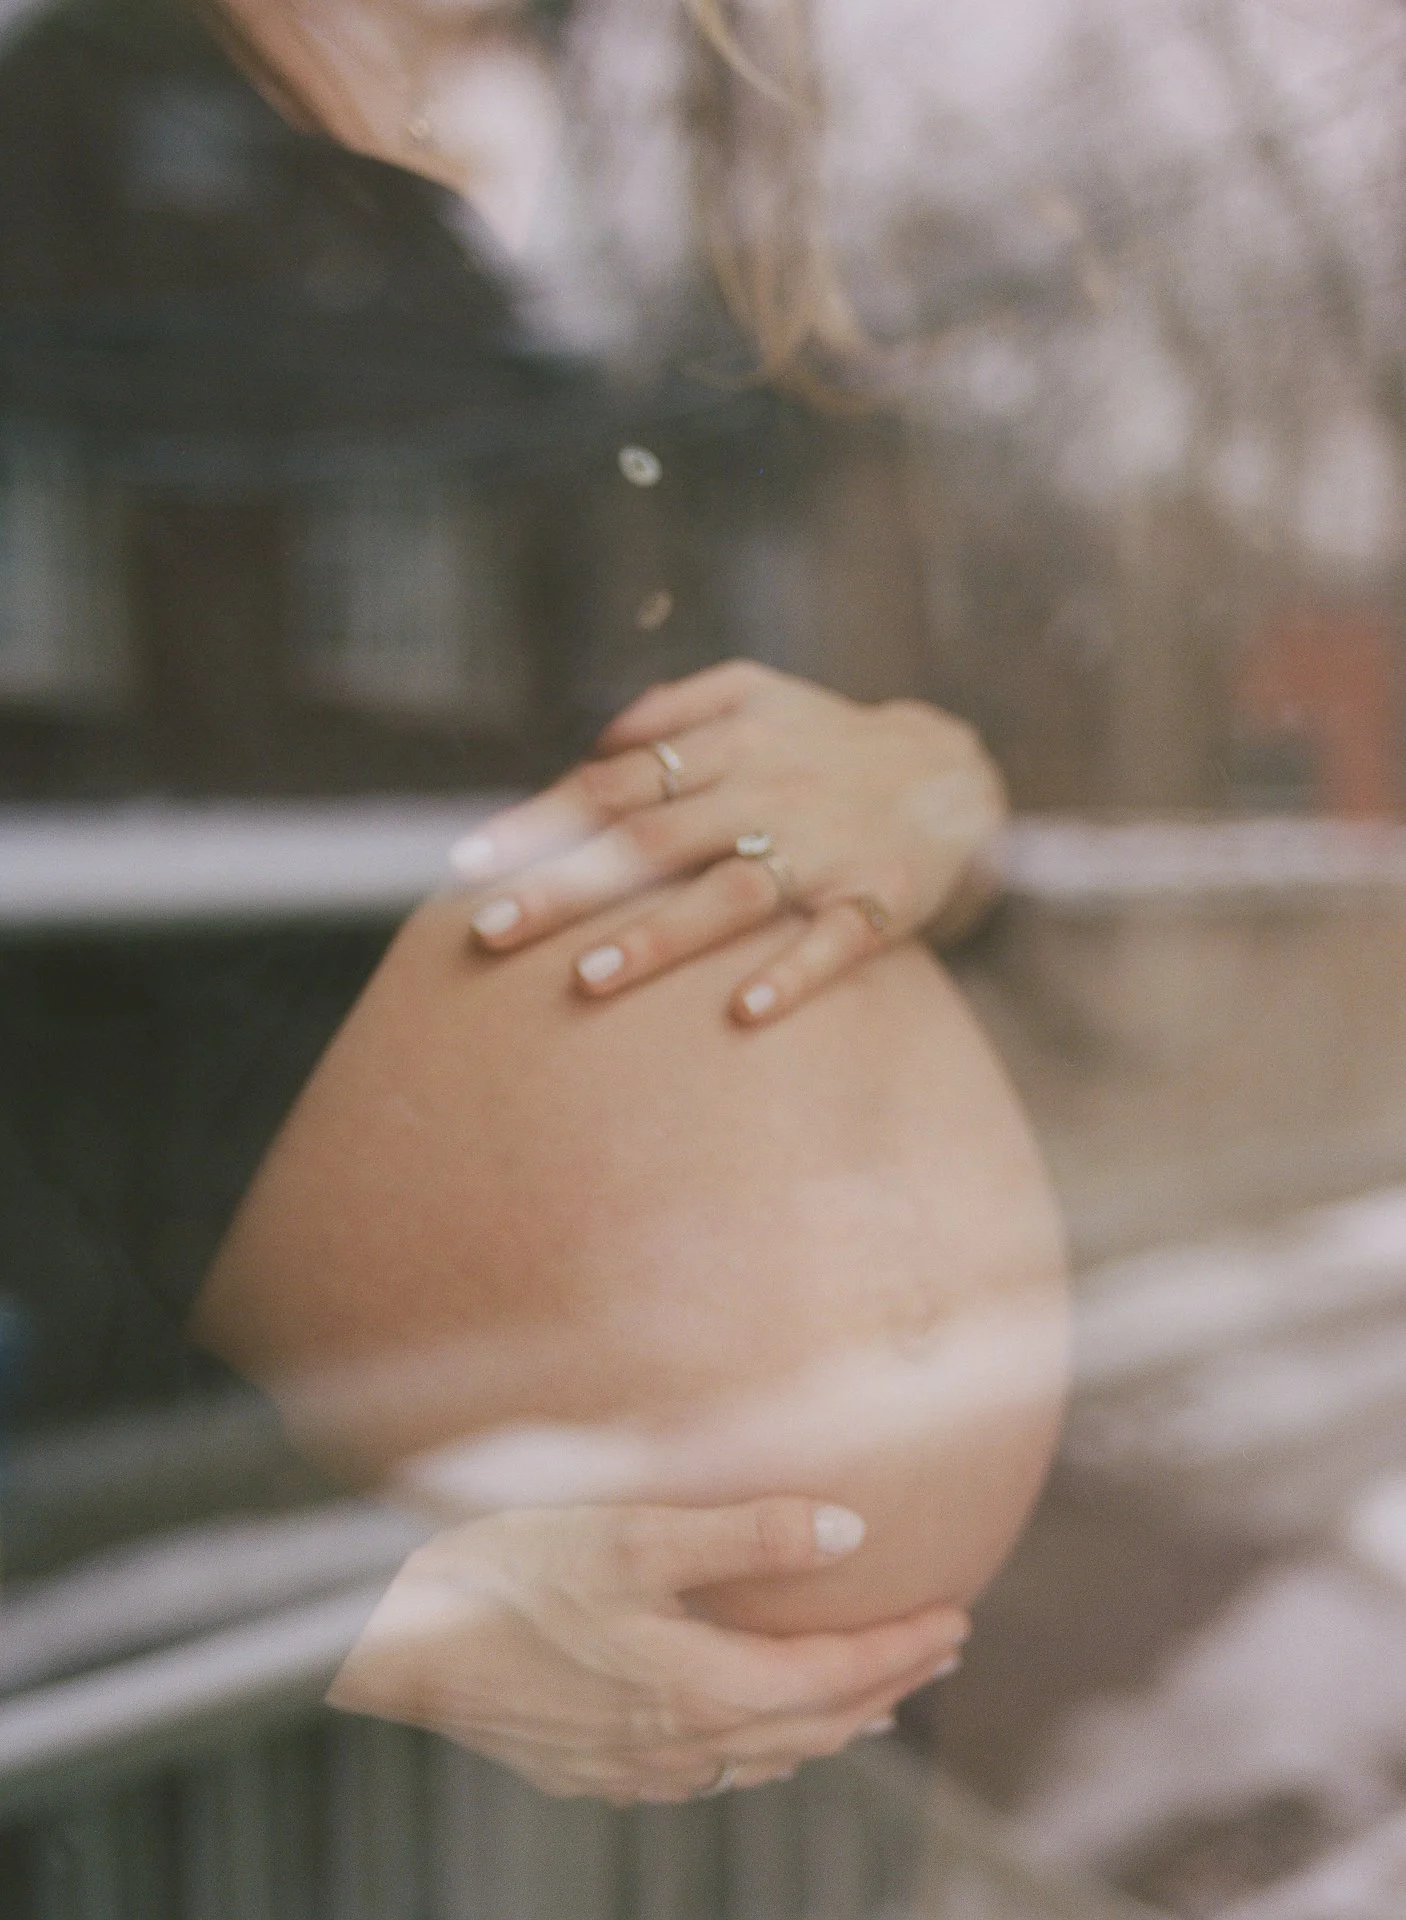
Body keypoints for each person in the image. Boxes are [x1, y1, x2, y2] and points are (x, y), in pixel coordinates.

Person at [0, 0, 1016, 1805]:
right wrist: (325, 1615)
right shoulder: (66, 152)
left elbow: (656, 753)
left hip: (763, 1775)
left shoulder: (537, 242)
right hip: (277, 1751)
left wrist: (951, 794)